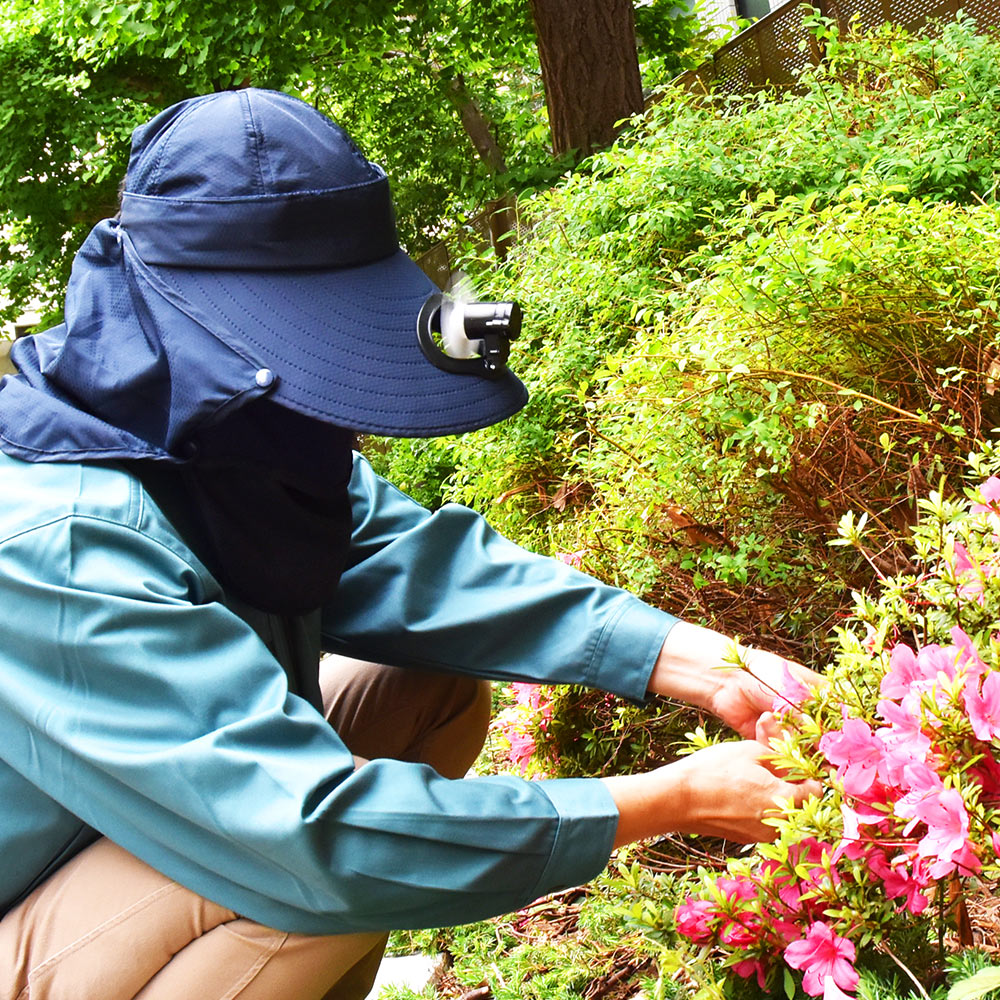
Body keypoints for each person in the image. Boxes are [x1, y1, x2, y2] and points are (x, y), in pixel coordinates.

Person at [0, 89, 821, 999]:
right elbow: (311, 837)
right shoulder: (57, 538)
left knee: (426, 694)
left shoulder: (219, 426)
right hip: (23, 906)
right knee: (309, 884)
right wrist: (676, 798)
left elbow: (421, 567)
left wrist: (713, 666)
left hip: (113, 832)